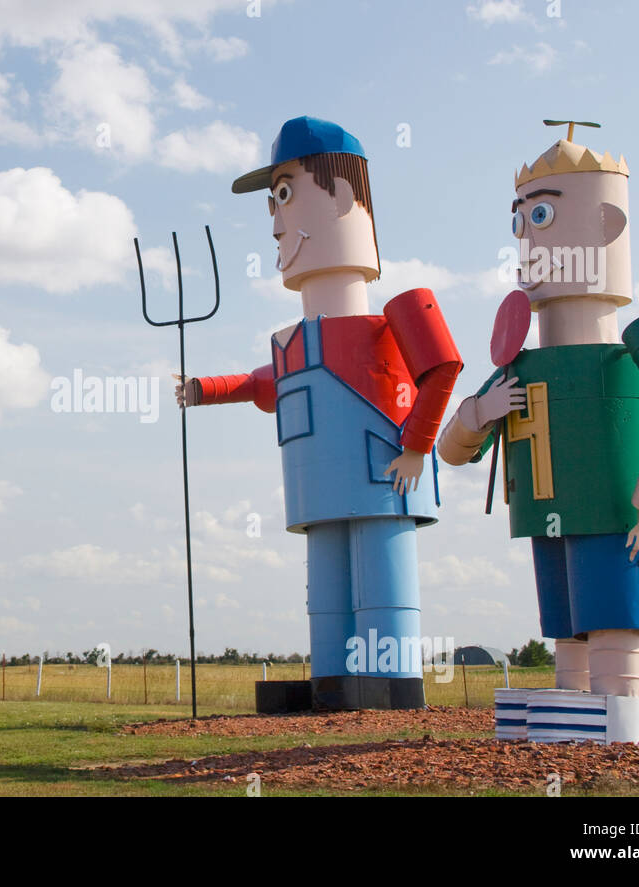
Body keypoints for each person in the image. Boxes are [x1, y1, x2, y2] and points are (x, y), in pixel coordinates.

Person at [437, 124, 639, 742]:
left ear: (607, 225)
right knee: (567, 626)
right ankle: (571, 727)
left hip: (619, 514)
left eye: (542, 215)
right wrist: (482, 412)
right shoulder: (517, 363)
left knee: (613, 622)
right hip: (547, 514)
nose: (530, 238)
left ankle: (621, 730)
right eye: (522, 222)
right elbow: (451, 451)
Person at [179, 117, 462, 710]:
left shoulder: (398, 312)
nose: (278, 223)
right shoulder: (291, 342)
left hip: (384, 475)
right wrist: (206, 388)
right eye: (272, 204)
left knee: (383, 585)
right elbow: (267, 385)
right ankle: (333, 680)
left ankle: (391, 682)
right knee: (328, 593)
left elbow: (442, 368)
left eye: (286, 195)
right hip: (318, 486)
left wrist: (417, 446)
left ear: (341, 196)